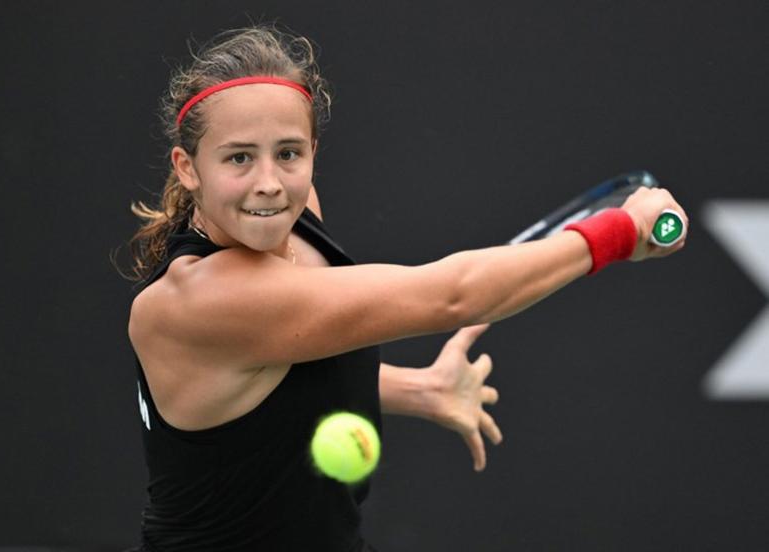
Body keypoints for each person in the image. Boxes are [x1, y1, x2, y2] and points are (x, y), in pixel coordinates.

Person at [125, 24, 687, 552]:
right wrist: (620, 231)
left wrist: (416, 389)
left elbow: (277, 371)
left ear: (313, 153)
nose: (269, 183)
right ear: (188, 167)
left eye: (289, 153)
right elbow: (452, 296)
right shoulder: (203, 299)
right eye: (239, 158)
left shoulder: (292, 222)